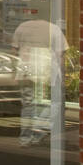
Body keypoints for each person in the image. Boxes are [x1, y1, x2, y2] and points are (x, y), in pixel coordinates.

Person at [10, 18, 67, 146]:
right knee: (53, 103)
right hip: (46, 71)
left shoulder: (23, 26)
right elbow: (60, 56)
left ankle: (25, 138)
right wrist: (62, 76)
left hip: (26, 71)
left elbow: (13, 52)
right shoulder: (54, 29)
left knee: (28, 104)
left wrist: (14, 72)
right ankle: (38, 132)